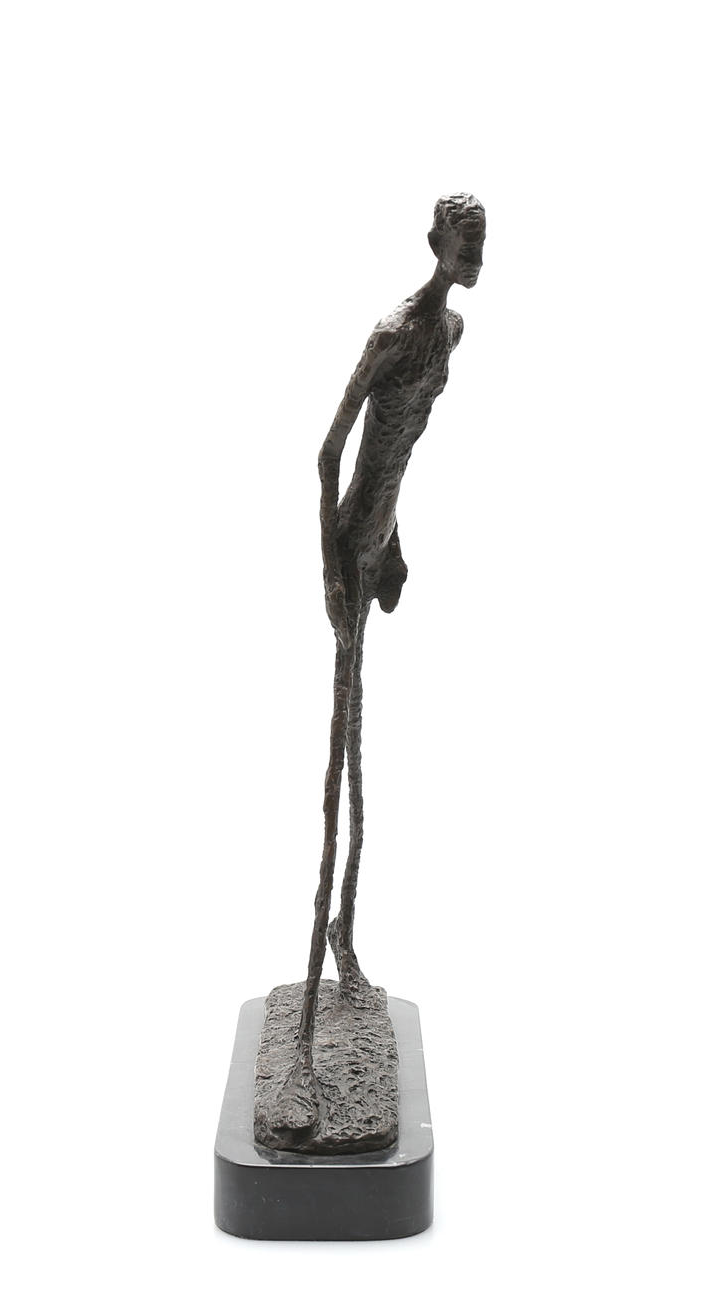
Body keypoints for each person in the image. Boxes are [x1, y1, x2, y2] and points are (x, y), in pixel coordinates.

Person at [263, 194, 487, 1146]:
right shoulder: (396, 334)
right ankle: (304, 1041)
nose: (477, 257)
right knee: (337, 762)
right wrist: (335, 560)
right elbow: (329, 453)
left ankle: (345, 946)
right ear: (434, 243)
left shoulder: (454, 334)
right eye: (465, 242)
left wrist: (397, 539)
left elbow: (402, 457)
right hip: (352, 537)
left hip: (383, 534)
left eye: (484, 243)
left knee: (360, 750)